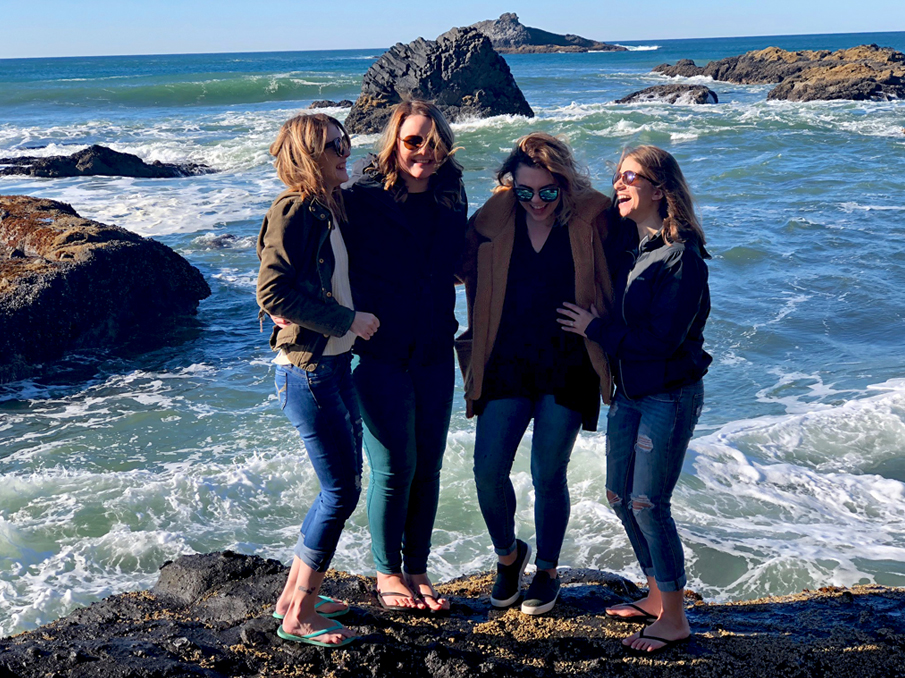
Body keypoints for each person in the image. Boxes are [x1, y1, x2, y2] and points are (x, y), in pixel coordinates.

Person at [558, 145, 711, 653]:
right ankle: (654, 594)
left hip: (668, 395)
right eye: (617, 175)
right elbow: (586, 215)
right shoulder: (637, 244)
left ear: (661, 189)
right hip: (630, 393)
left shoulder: (681, 258)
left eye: (630, 177)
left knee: (649, 503)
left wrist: (594, 329)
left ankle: (675, 618)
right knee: (620, 497)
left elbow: (661, 342)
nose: (618, 185)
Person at [456, 132, 616, 615]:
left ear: (564, 183)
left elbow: (634, 261)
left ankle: (547, 570)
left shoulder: (593, 215)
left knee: (548, 472)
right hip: (505, 357)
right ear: (511, 186)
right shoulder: (496, 215)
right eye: (525, 191)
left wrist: (606, 329)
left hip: (569, 360)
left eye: (548, 191)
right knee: (487, 471)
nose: (538, 201)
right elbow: (444, 261)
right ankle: (509, 556)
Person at [256, 113, 380, 647]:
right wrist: (347, 320)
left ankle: (293, 595)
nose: (344, 151)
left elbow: (272, 263)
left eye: (345, 141)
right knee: (341, 490)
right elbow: (273, 291)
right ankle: (299, 616)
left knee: (341, 487)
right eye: (334, 145)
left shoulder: (324, 207)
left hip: (331, 366)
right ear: (308, 155)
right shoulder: (297, 207)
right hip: (307, 371)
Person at [343, 100, 468, 612]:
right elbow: (314, 247)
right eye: (414, 140)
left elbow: (463, 255)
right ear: (394, 141)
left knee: (430, 466)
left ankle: (418, 568)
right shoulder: (360, 198)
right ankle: (386, 573)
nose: (424, 151)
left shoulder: (450, 195)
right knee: (395, 465)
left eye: (434, 141)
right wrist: (286, 304)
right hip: (377, 351)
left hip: (435, 348)